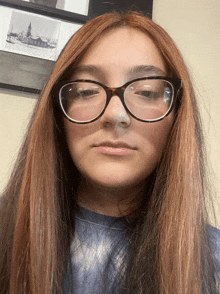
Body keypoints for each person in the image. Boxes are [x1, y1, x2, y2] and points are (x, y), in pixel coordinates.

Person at [0, 11, 220, 294]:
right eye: (86, 91)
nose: (115, 114)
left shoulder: (212, 260)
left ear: (177, 117)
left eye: (147, 92)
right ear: (57, 113)